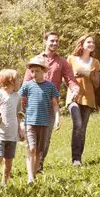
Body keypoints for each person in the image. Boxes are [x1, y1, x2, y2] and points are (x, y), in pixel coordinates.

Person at [22, 32, 79, 169]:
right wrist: (21, 106)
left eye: (57, 41)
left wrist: (75, 89)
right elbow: (25, 84)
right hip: (33, 106)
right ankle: (33, 166)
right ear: (45, 41)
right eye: (52, 41)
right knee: (32, 137)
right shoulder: (35, 60)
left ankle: (39, 165)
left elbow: (70, 79)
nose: (54, 43)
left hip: (49, 105)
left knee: (46, 139)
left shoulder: (62, 62)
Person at [19, 56, 60, 183]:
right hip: (30, 122)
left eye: (37, 71)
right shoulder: (27, 86)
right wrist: (20, 118)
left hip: (44, 122)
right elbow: (19, 101)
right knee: (31, 148)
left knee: (38, 151)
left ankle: (34, 175)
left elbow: (55, 104)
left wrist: (58, 118)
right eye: (32, 71)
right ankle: (30, 177)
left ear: (44, 71)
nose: (34, 73)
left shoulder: (50, 87)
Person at [67, 34, 100, 166]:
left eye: (93, 42)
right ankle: (75, 158)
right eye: (88, 42)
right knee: (77, 125)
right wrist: (77, 75)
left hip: (88, 98)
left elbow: (97, 84)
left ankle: (78, 158)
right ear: (82, 44)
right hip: (73, 97)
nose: (91, 44)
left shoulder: (95, 62)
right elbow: (67, 79)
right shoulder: (71, 59)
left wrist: (92, 75)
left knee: (83, 128)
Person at [0, 69, 21, 186]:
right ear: (10, 81)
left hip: (12, 135)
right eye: (18, 78)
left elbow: (18, 115)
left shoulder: (17, 96)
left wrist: (20, 130)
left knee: (9, 162)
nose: (20, 80)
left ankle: (4, 183)